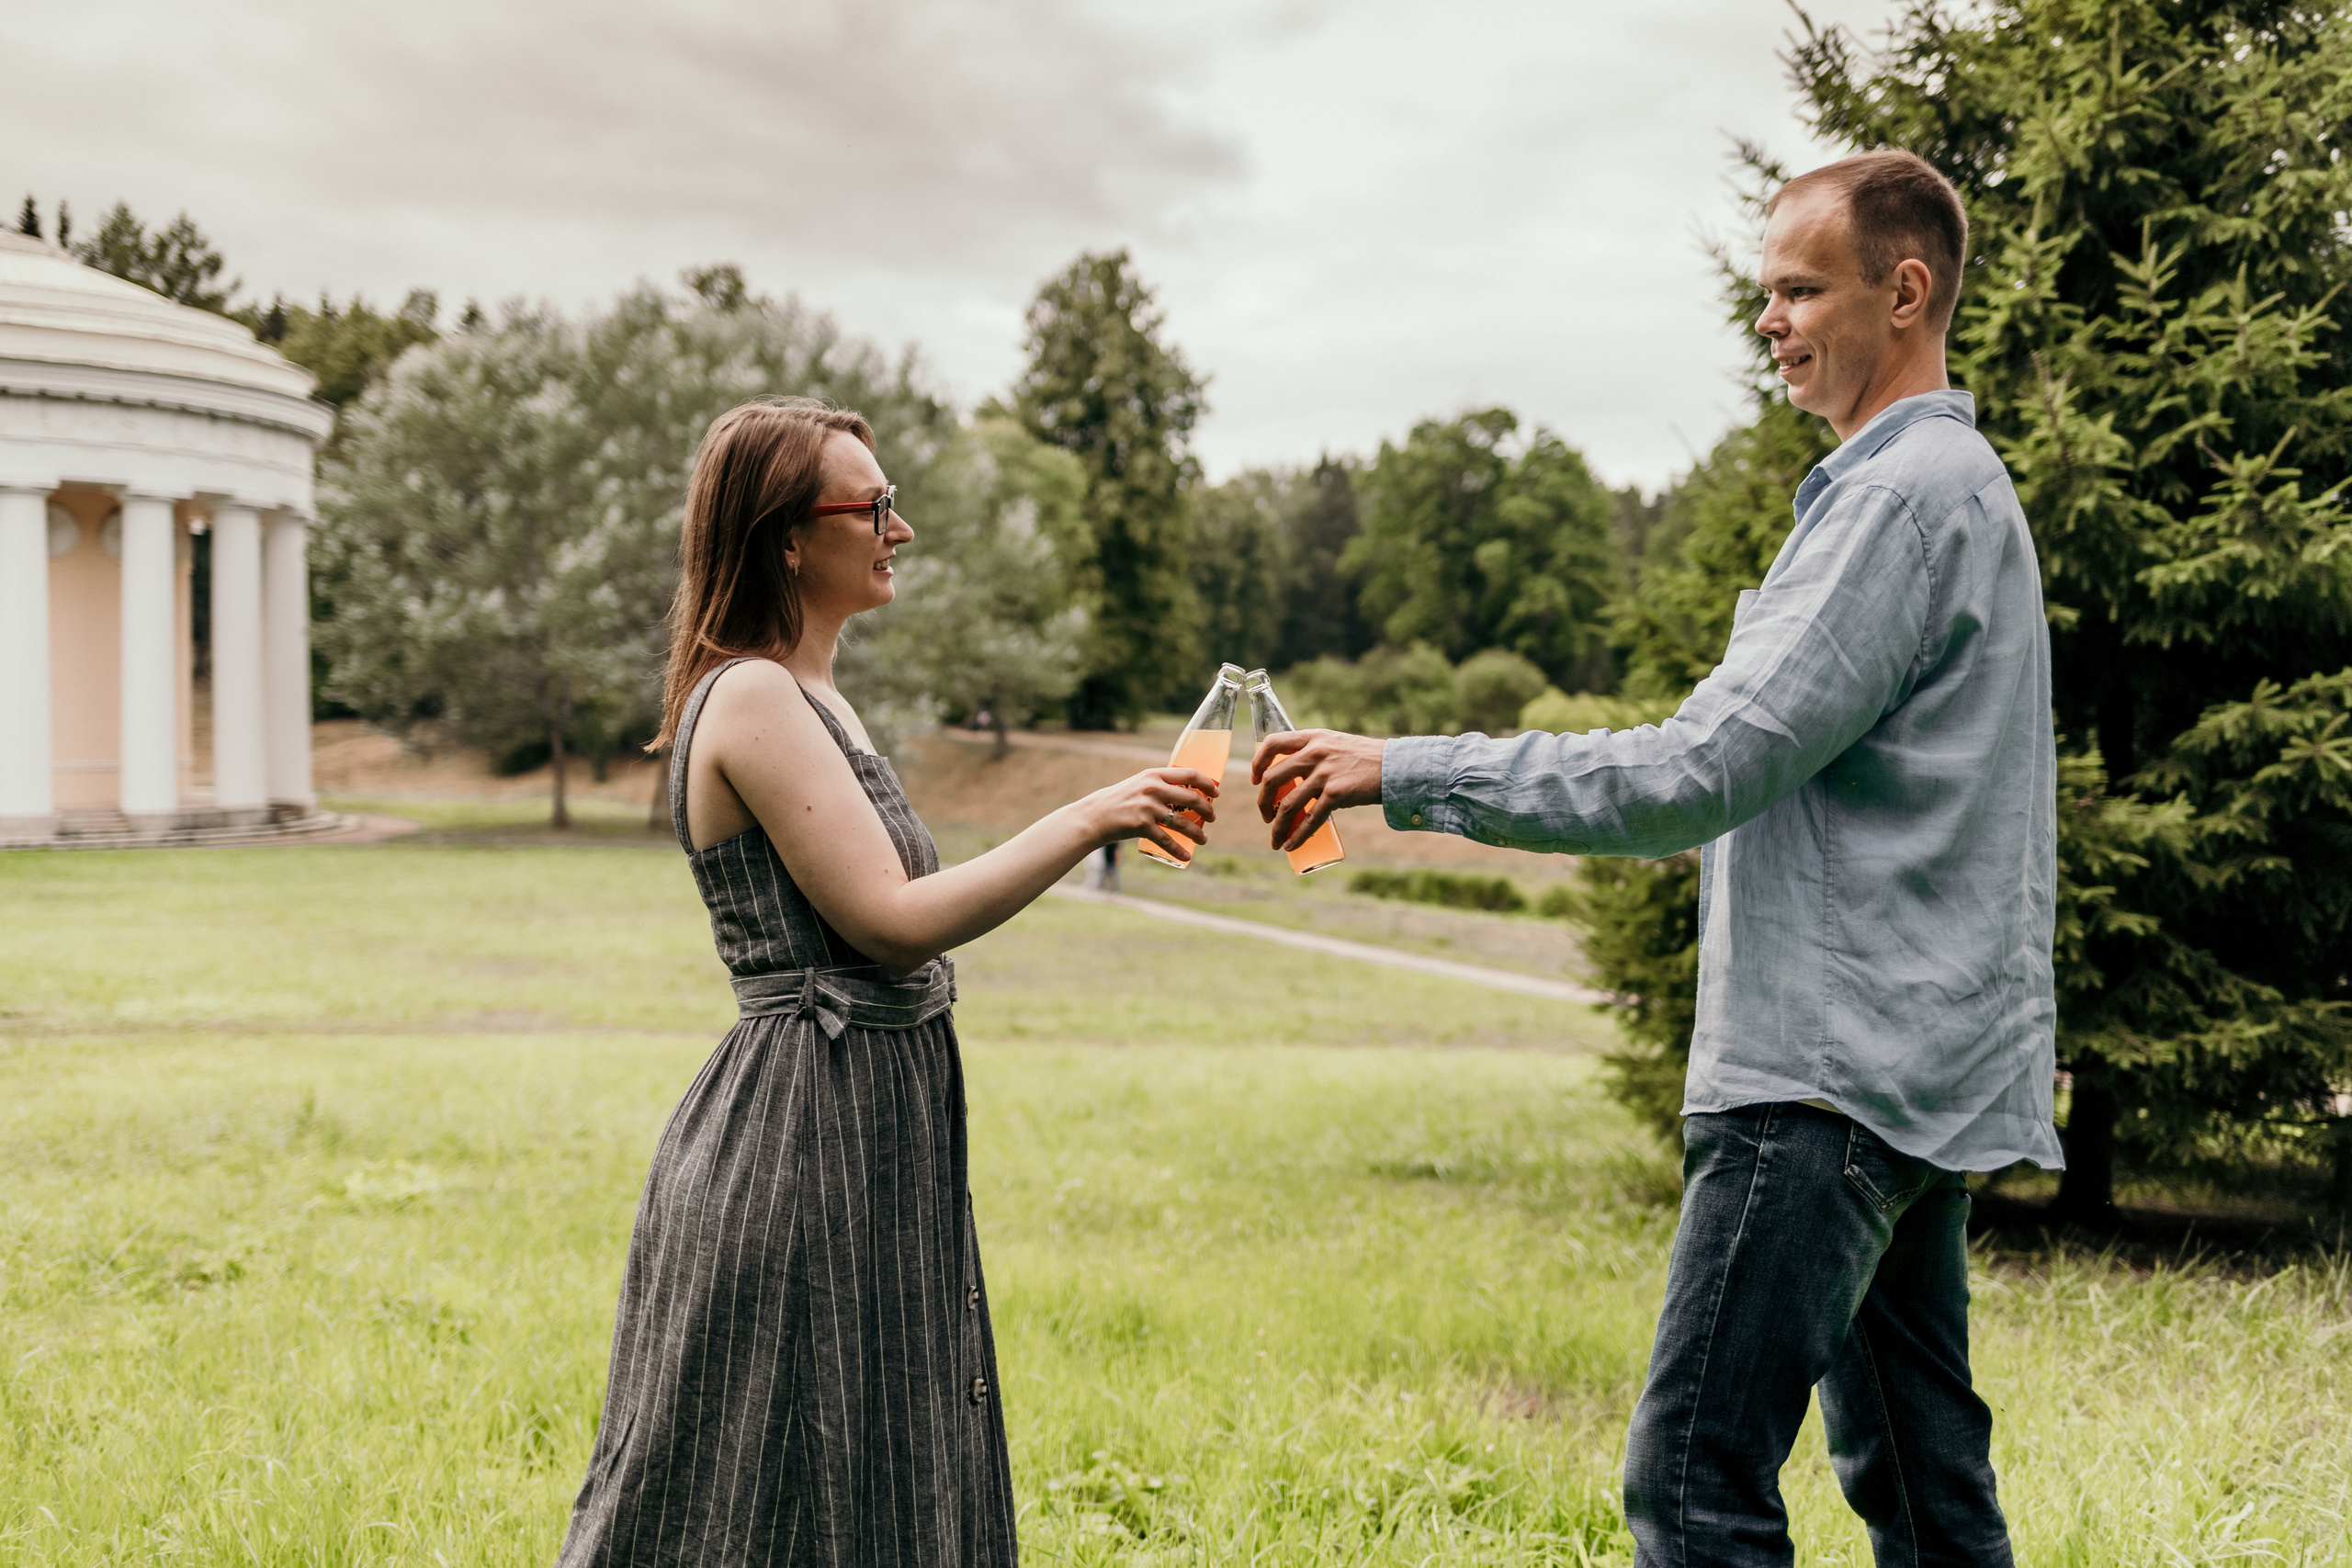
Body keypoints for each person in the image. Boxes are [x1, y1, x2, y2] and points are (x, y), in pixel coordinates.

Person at [1251, 150, 2059, 1565]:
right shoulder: (1955, 485)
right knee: (1927, 1490)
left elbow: (1699, 767)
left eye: (1800, 289)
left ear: (1904, 290)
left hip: (1825, 1078)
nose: (1769, 320)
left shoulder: (1899, 501)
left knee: (1693, 1486)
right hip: (1914, 1071)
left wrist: (1406, 768)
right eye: (1766, 291)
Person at [555, 396, 1219, 1566]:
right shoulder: (753, 695)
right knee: (756, 1484)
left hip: (870, 1125)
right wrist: (1089, 817)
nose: (898, 529)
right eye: (873, 506)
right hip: (800, 1138)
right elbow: (892, 923)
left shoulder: (817, 699)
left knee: (878, 1459)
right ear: (787, 537)